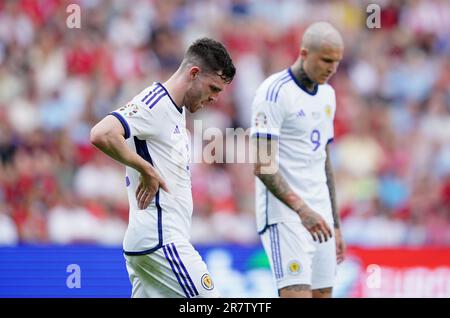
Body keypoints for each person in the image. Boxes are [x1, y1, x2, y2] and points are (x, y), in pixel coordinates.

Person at [90, 38, 235, 298]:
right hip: (160, 242)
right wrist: (146, 169)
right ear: (193, 73)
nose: (214, 98)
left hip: (153, 242)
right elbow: (101, 133)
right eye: (213, 88)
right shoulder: (155, 103)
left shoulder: (177, 111)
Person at [250, 22, 345, 298]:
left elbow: (323, 159)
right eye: (327, 60)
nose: (332, 69)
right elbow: (262, 165)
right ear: (304, 53)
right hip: (286, 216)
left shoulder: (328, 95)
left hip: (321, 215)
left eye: (337, 62)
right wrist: (303, 211)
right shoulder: (274, 92)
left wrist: (335, 223)